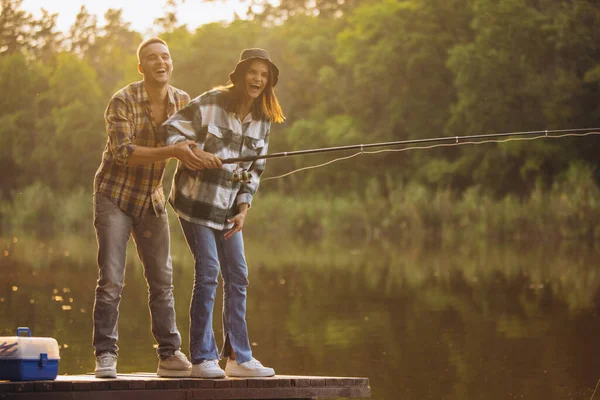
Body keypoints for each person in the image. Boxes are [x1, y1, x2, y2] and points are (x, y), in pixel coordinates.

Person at [162, 48, 285, 378]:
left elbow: (255, 169)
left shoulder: (263, 119)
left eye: (264, 74)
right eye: (253, 72)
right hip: (195, 204)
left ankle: (238, 357)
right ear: (241, 73)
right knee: (208, 273)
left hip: (230, 210)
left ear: (269, 81)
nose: (258, 79)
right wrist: (195, 152)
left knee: (238, 275)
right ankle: (202, 358)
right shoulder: (212, 101)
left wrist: (244, 206)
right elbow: (171, 130)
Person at [92, 37, 204, 379]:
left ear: (171, 63)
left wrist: (204, 156)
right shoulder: (122, 100)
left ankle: (169, 355)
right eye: (152, 58)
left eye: (165, 56)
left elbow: (195, 146)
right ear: (142, 68)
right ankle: (106, 355)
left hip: (152, 199)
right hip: (114, 196)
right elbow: (123, 152)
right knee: (111, 279)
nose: (161, 62)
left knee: (162, 280)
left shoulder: (184, 101)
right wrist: (173, 152)